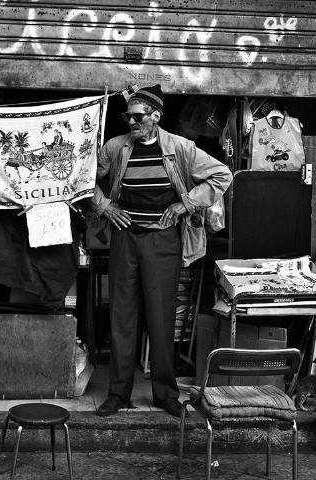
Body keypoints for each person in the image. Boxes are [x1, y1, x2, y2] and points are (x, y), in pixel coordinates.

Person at [91, 85, 232, 417]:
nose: (131, 122)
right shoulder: (115, 147)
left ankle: (165, 394)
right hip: (125, 238)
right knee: (121, 318)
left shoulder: (180, 148)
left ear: (156, 116)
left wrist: (185, 204)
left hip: (163, 240)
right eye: (128, 116)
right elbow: (84, 179)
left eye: (138, 116)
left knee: (161, 317)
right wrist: (105, 206)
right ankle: (118, 394)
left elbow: (221, 175)